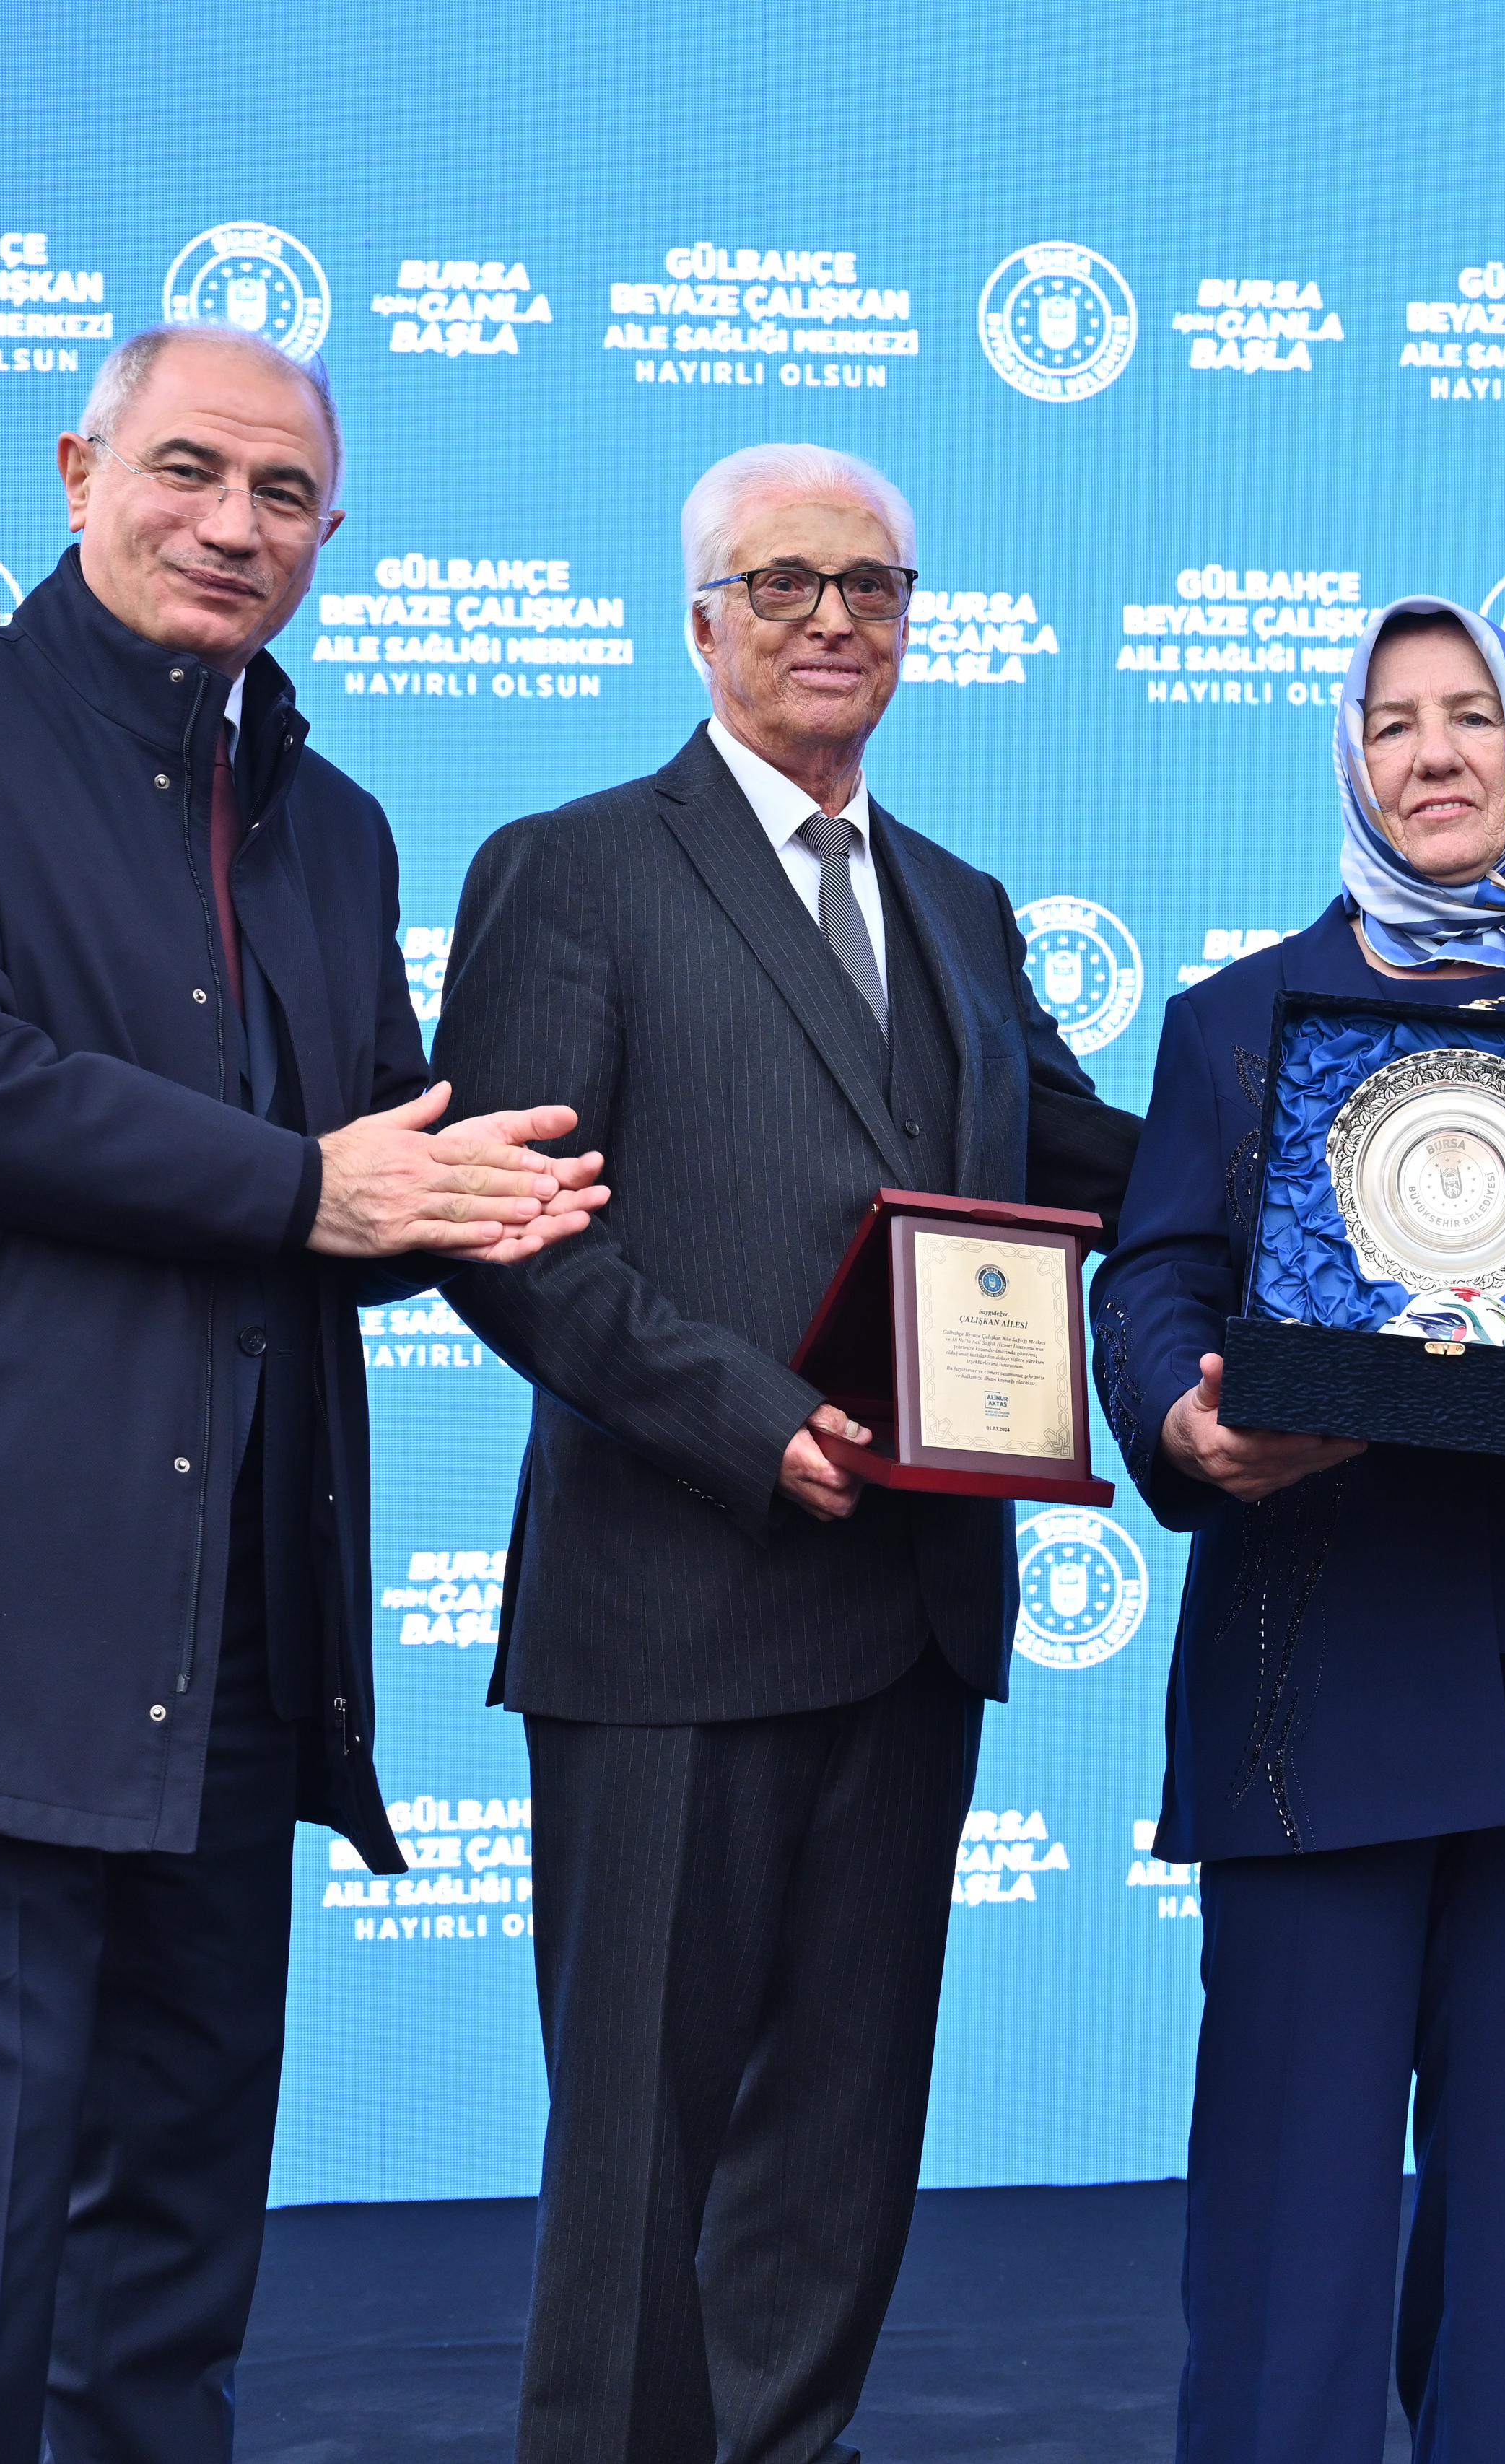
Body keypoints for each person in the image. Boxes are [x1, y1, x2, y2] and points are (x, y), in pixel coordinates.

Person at [0, 326, 607, 2464]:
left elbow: (397, 1163)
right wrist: (310, 1186)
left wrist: (721, 1259)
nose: (232, 522)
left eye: (283, 493)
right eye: (188, 468)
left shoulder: (330, 821)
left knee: (178, 2227)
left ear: (329, 532)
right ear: (77, 468)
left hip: (240, 1624)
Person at [430, 441, 1140, 2464]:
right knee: (640, 2164)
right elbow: (510, 1232)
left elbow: (1080, 1160)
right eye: (784, 581)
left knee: (840, 2148)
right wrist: (750, 1419)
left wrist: (1364, 1165)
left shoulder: (960, 902)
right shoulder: (571, 867)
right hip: (672, 1603)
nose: (834, 617)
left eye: (873, 584)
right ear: (701, 621)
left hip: (909, 1614)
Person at [1090, 598, 1505, 2463]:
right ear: (1351, 761)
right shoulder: (1233, 1023)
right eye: (1393, 723)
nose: (1436, 752)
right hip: (1325, 1655)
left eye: (1474, 714)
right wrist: (1181, 1417)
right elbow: (1152, 1276)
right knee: (1291, 2195)